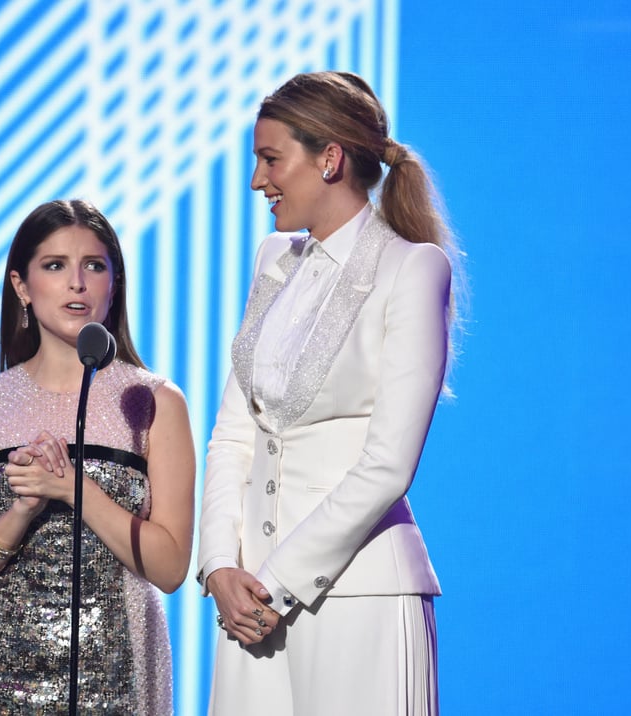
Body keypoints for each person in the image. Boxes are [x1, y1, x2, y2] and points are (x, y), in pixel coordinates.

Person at [197, 71, 464, 715]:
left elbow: (388, 465)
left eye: (269, 159)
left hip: (357, 596)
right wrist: (218, 569)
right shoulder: (273, 261)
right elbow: (236, 431)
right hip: (249, 604)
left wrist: (277, 582)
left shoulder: (412, 269)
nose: (257, 180)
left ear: (330, 159)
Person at [0, 199, 196, 714]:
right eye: (55, 266)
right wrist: (21, 511)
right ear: (21, 286)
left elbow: (170, 568)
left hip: (119, 678)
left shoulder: (154, 401)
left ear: (114, 283)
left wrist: (74, 489)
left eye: (94, 266)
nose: (76, 283)